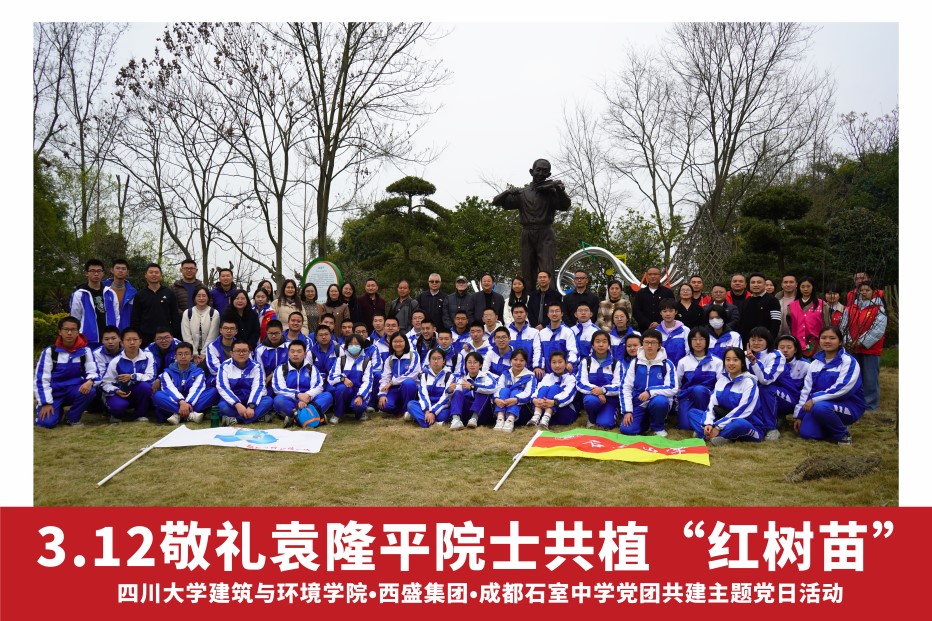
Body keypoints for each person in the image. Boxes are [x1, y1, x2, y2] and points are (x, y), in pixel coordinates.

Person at [491, 158, 571, 283]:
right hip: (527, 234)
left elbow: (565, 206)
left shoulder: (552, 192)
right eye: (538, 170)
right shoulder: (522, 193)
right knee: (527, 271)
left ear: (549, 174)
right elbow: (496, 202)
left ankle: (550, 295)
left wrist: (561, 190)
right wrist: (508, 192)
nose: (541, 173)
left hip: (545, 233)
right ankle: (528, 295)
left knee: (547, 270)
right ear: (531, 171)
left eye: (545, 171)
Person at [793, 326, 865, 445]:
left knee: (821, 407)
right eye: (823, 338)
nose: (827, 341)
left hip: (850, 406)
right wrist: (800, 415)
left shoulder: (849, 361)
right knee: (807, 433)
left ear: (840, 341)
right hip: (820, 405)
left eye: (832, 338)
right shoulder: (814, 364)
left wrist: (814, 400)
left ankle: (843, 435)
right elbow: (806, 390)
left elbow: (843, 388)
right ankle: (831, 426)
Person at [34, 316, 99, 428]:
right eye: (66, 329)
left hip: (73, 391)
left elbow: (94, 372)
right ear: (60, 332)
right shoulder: (50, 352)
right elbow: (41, 379)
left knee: (90, 391)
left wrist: (90, 381)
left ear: (78, 332)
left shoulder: (86, 351)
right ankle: (55, 409)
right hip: (54, 393)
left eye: (73, 330)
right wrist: (46, 403)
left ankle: (72, 418)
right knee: (46, 424)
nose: (69, 333)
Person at [691, 347, 763, 445]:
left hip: (748, 423)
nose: (731, 363)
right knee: (693, 413)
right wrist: (709, 423)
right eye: (728, 360)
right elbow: (712, 405)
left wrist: (718, 426)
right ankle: (719, 436)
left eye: (735, 360)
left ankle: (705, 434)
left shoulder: (749, 383)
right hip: (723, 421)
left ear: (742, 362)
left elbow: (744, 410)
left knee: (739, 424)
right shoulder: (721, 381)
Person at [619, 329, 677, 437]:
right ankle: (645, 423)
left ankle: (658, 427)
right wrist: (627, 411)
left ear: (659, 345)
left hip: (657, 401)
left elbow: (673, 387)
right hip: (638, 401)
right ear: (642, 344)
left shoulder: (667, 364)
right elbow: (625, 387)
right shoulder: (635, 363)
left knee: (660, 401)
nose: (649, 346)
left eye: (653, 343)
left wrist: (650, 392)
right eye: (646, 342)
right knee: (627, 430)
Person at [840, 280, 887, 411]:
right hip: (852, 348)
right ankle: (855, 401)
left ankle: (870, 405)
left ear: (874, 292)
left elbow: (878, 330)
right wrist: (848, 341)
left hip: (870, 349)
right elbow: (843, 326)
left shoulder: (879, 309)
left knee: (870, 378)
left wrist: (861, 341)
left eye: (867, 290)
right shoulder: (851, 308)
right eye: (861, 290)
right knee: (854, 376)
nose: (864, 292)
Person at [152, 341, 218, 424]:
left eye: (186, 354)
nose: (183, 356)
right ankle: (190, 415)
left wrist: (188, 403)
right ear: (175, 356)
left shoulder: (199, 372)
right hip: (175, 401)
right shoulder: (167, 373)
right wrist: (181, 402)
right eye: (180, 354)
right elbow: (169, 389)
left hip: (193, 401)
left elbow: (197, 389)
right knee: (157, 396)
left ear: (191, 357)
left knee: (213, 391)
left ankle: (178, 415)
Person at [271, 340, 332, 428]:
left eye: (299, 351)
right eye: (292, 351)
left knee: (327, 396)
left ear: (305, 354)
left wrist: (307, 396)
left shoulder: (311, 368)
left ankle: (295, 418)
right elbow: (278, 388)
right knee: (278, 400)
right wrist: (298, 395)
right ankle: (315, 416)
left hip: (309, 401)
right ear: (288, 353)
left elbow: (318, 386)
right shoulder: (281, 369)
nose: (295, 354)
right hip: (291, 401)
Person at [100, 327, 155, 423]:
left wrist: (133, 376)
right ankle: (115, 414)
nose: (132, 343)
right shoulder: (116, 361)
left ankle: (139, 415)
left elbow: (151, 377)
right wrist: (116, 390)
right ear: (122, 343)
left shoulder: (148, 356)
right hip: (119, 392)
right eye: (128, 340)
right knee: (119, 407)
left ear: (140, 341)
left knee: (145, 387)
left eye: (135, 339)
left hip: (137, 391)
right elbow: (105, 383)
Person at [674, 327, 723, 430]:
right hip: (688, 397)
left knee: (699, 390)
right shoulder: (683, 362)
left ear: (707, 341)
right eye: (694, 339)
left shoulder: (717, 362)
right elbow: (677, 385)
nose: (698, 342)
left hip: (708, 397)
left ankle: (707, 418)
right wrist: (678, 403)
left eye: (701, 339)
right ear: (689, 342)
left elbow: (720, 385)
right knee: (685, 426)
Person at [218, 341, 273, 426]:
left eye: (244, 351)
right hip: (234, 402)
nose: (241, 354)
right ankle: (257, 418)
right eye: (238, 351)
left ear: (249, 352)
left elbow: (258, 387)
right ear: (232, 353)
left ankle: (237, 420)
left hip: (251, 400)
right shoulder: (225, 366)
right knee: (222, 406)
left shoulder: (256, 366)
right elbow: (223, 387)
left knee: (268, 401)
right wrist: (237, 404)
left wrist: (251, 406)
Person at [745, 326, 786, 441]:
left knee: (765, 389)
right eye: (753, 340)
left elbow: (766, 379)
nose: (756, 343)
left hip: (784, 394)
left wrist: (754, 362)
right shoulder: (745, 355)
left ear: (768, 341)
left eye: (760, 340)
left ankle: (771, 428)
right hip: (761, 393)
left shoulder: (776, 355)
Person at [577, 330, 621, 429]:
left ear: (609, 345)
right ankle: (591, 419)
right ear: (592, 345)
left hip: (610, 400)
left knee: (605, 424)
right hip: (592, 397)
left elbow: (619, 385)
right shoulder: (586, 362)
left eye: (604, 341)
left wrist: (604, 390)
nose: (601, 345)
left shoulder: (616, 363)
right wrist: (597, 391)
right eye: (597, 341)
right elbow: (580, 382)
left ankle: (607, 414)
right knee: (590, 401)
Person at [130, 263, 181, 346]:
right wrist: (138, 335)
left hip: (165, 336)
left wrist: (173, 333)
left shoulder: (169, 293)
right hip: (145, 337)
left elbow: (175, 316)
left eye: (156, 272)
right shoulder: (140, 295)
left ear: (161, 275)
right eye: (151, 272)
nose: (154, 274)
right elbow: (135, 319)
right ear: (145, 275)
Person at [328, 334, 375, 423]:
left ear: (361, 346)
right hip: (346, 391)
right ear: (346, 346)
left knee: (358, 407)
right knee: (341, 388)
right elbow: (331, 377)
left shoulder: (366, 362)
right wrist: (343, 379)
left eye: (356, 344)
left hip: (359, 392)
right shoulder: (340, 360)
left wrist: (360, 396)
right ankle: (338, 414)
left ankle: (361, 411)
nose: (353, 346)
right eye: (351, 344)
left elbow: (368, 382)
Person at [404, 348, 456, 428]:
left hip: (441, 408)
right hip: (426, 407)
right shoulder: (424, 376)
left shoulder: (449, 376)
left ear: (444, 361)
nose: (436, 361)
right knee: (411, 404)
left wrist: (433, 412)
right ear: (429, 361)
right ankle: (434, 424)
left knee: (444, 415)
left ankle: (419, 418)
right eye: (433, 359)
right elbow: (423, 395)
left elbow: (446, 398)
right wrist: (427, 411)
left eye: (439, 358)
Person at [529, 350, 578, 429]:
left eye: (560, 362)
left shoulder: (571, 378)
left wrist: (554, 402)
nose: (557, 365)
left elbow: (568, 396)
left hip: (564, 412)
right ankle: (536, 417)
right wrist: (534, 400)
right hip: (544, 407)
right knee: (544, 388)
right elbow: (538, 390)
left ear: (566, 363)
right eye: (554, 362)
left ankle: (546, 418)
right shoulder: (547, 376)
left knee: (555, 388)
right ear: (550, 364)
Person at [448, 351, 497, 430]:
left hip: (483, 413)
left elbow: (493, 387)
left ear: (480, 365)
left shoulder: (486, 376)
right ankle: (456, 420)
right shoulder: (463, 379)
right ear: (466, 365)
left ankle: (474, 418)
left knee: (482, 391)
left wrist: (473, 387)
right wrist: (450, 390)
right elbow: (453, 397)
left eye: (475, 362)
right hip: (467, 414)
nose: (472, 365)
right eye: (469, 362)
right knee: (457, 392)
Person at [492, 348, 537, 432]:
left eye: (521, 360)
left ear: (526, 362)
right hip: (503, 405)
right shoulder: (505, 373)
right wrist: (496, 399)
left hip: (522, 409)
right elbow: (497, 388)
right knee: (504, 390)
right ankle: (500, 418)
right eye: (515, 359)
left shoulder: (530, 376)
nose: (518, 363)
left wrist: (516, 399)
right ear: (511, 360)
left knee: (516, 392)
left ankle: (510, 420)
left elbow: (529, 393)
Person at [378, 332, 421, 416]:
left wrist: (392, 382)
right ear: (391, 343)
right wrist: (382, 394)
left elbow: (412, 374)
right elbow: (385, 378)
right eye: (395, 341)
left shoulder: (413, 355)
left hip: (409, 389)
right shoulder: (389, 359)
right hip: (394, 389)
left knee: (408, 383)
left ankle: (406, 410)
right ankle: (398, 409)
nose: (398, 344)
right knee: (385, 406)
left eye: (401, 341)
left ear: (406, 342)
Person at [773, 335, 811, 424]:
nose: (785, 350)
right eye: (781, 347)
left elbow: (809, 389)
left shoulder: (806, 365)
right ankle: (777, 416)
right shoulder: (772, 363)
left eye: (789, 347)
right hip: (780, 398)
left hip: (797, 400)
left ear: (795, 349)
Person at [70, 258, 107, 347]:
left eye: (99, 271)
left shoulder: (110, 293)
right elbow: (75, 318)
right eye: (92, 271)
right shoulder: (79, 294)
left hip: (108, 339)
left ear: (103, 273)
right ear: (86, 273)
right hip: (87, 339)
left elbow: (116, 316)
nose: (96, 274)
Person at [786, 275, 825, 357]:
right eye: (803, 287)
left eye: (808, 286)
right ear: (798, 288)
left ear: (813, 287)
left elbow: (827, 324)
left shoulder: (821, 304)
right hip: (797, 344)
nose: (805, 289)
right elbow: (790, 325)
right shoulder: (792, 305)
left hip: (817, 344)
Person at [181, 285, 219, 366]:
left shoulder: (214, 313)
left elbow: (213, 335)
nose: (201, 298)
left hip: (209, 352)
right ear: (194, 298)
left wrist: (204, 353)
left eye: (204, 296)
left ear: (208, 298)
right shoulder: (187, 313)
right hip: (190, 353)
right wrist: (194, 353)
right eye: (198, 296)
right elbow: (186, 335)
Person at [738, 273, 781, 342]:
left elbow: (776, 322)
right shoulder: (746, 302)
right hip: (747, 342)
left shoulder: (772, 300)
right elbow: (742, 324)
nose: (755, 285)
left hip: (765, 341)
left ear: (764, 284)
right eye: (753, 282)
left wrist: (770, 340)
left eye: (759, 282)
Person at [538, 302, 579, 374]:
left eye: (557, 311)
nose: (554, 314)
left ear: (562, 314)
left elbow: (573, 351)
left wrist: (570, 362)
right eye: (551, 311)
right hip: (546, 373)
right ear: (548, 314)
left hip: (565, 372)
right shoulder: (542, 333)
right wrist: (540, 366)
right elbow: (539, 352)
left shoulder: (568, 332)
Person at [632, 266, 675, 331]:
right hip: (644, 330)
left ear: (660, 276)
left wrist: (659, 323)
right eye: (650, 274)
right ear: (647, 276)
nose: (652, 276)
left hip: (665, 329)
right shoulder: (640, 293)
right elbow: (636, 311)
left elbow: (673, 309)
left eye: (655, 274)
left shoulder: (668, 292)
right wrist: (648, 324)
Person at [507, 303, 542, 374]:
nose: (519, 315)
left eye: (521, 312)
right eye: (516, 312)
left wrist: (537, 366)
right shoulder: (506, 332)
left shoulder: (534, 332)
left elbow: (537, 350)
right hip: (510, 371)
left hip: (530, 370)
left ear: (526, 314)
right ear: (512, 315)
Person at [103, 258, 137, 332]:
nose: (120, 271)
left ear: (127, 272)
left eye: (123, 269)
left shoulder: (133, 293)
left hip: (125, 330)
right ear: (112, 270)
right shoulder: (103, 289)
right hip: (106, 330)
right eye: (117, 268)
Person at [205, 319, 239, 387]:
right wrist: (230, 377)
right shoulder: (212, 346)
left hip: (239, 378)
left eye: (232, 328)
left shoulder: (242, 346)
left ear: (236, 331)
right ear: (220, 330)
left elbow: (248, 364)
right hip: (218, 378)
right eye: (226, 328)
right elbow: (213, 369)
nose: (229, 331)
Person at [657, 298, 688, 369]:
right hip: (662, 369)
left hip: (681, 368)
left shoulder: (685, 330)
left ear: (676, 312)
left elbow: (688, 352)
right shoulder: (657, 332)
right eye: (664, 311)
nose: (668, 314)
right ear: (660, 312)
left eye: (671, 311)